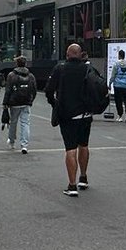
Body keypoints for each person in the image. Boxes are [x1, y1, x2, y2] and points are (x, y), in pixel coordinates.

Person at [44, 43, 95, 196]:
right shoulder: (88, 68)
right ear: (80, 54)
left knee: (70, 149)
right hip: (86, 114)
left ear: (67, 54)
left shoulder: (60, 69)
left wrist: (55, 104)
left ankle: (72, 186)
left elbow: (48, 90)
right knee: (84, 145)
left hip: (68, 115)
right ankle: (83, 178)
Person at [2, 55, 36, 153]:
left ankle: (12, 141)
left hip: (14, 102)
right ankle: (24, 145)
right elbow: (34, 90)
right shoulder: (30, 75)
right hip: (26, 102)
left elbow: (8, 90)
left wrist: (5, 103)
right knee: (25, 123)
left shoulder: (11, 75)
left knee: (13, 122)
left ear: (16, 63)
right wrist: (31, 100)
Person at [109, 49, 126, 122]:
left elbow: (113, 75)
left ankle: (120, 116)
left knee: (118, 101)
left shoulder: (116, 64)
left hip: (118, 85)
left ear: (119, 56)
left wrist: (110, 83)